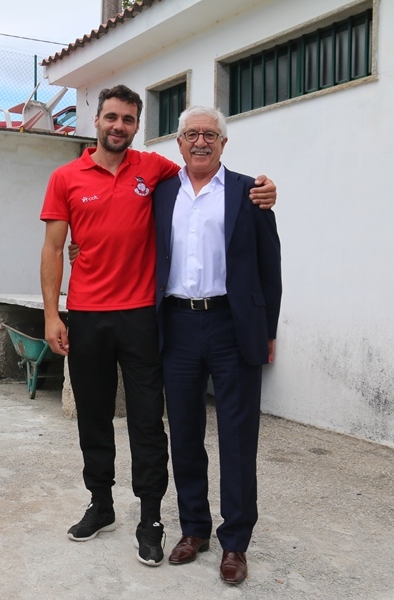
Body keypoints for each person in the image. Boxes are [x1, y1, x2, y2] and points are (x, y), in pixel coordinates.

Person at [40, 85, 276, 567]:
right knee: (136, 424)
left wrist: (267, 190)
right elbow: (63, 243)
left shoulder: (198, 182)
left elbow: (264, 259)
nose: (118, 126)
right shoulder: (102, 180)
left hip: (185, 322)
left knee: (188, 430)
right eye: (111, 117)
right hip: (129, 319)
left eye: (128, 119)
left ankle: (195, 531)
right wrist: (55, 303)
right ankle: (142, 517)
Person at [153, 106, 281, 584]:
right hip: (178, 325)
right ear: (179, 143)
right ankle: (194, 529)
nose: (200, 141)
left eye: (210, 134)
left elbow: (271, 267)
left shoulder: (250, 193)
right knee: (184, 432)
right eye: (192, 134)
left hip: (232, 325)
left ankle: (235, 542)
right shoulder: (164, 194)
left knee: (237, 436)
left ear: (224, 144)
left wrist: (268, 330)